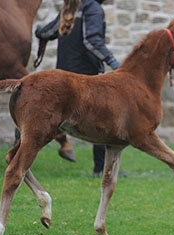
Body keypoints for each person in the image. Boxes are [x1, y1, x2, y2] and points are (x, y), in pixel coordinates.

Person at [35, 0, 120, 177]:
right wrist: (113, 62)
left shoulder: (70, 7)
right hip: (86, 80)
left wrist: (37, 31)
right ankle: (100, 169)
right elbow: (92, 41)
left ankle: (18, 152)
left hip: (64, 80)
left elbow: (47, 32)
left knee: (48, 117)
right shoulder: (93, 8)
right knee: (102, 123)